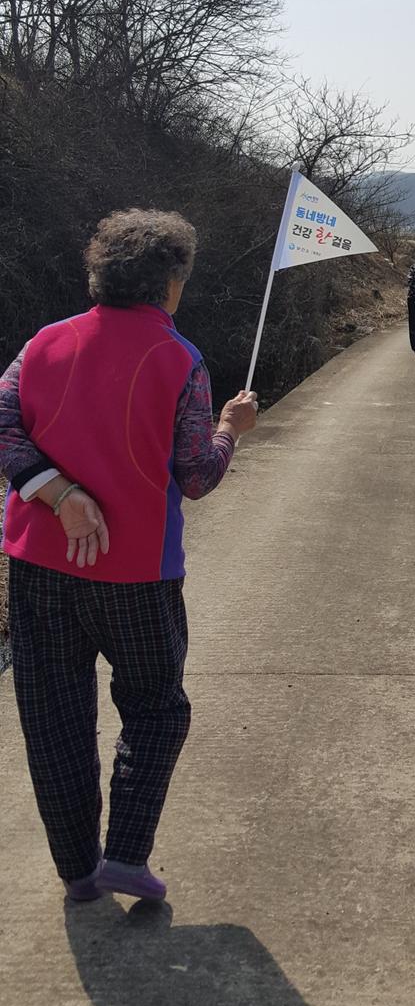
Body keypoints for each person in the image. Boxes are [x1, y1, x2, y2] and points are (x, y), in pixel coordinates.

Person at [0, 209, 258, 905]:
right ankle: (125, 854)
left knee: (52, 715)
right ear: (169, 282)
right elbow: (196, 475)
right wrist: (231, 429)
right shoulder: (182, 360)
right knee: (154, 707)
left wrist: (56, 492)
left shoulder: (43, 343)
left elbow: (3, 424)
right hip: (138, 573)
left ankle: (78, 870)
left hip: (38, 563)